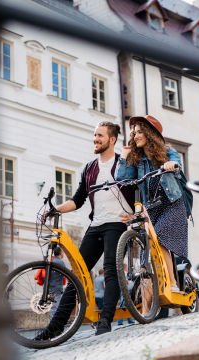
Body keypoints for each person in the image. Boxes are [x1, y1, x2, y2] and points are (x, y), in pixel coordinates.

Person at [35, 121, 134, 339]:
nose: (95, 139)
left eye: (100, 135)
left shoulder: (122, 163)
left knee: (111, 269)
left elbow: (137, 189)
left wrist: (136, 215)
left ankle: (105, 321)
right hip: (96, 224)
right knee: (77, 274)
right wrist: (54, 210)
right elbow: (78, 200)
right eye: (94, 135)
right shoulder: (90, 168)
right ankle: (55, 327)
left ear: (112, 140)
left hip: (118, 224)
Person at [115, 115, 188, 293]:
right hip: (152, 208)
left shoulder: (168, 153)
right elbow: (122, 179)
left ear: (150, 134)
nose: (135, 136)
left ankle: (172, 284)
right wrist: (124, 157)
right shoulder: (138, 161)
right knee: (147, 243)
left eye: (140, 132)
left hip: (172, 205)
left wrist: (171, 165)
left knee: (160, 237)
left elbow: (176, 164)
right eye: (134, 133)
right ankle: (152, 288)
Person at [49, 247, 67, 320]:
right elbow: (66, 273)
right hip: (56, 287)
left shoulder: (51, 260)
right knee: (55, 307)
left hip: (50, 287)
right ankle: (52, 326)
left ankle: (52, 325)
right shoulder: (60, 262)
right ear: (60, 253)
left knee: (53, 307)